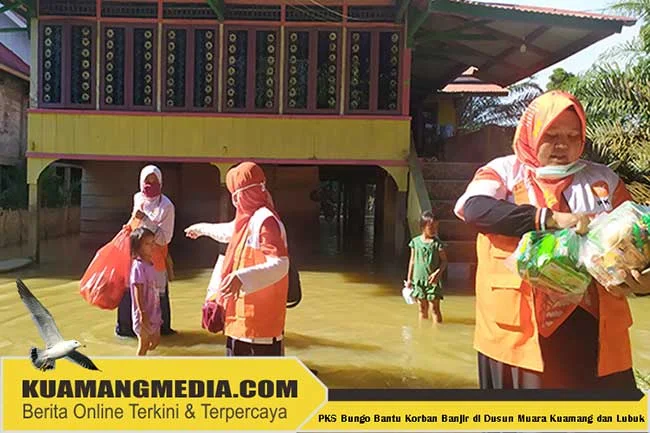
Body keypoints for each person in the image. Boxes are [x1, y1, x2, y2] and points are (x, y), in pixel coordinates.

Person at [454, 90, 650, 389]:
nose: (563, 144)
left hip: (595, 333)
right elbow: (474, 208)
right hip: (520, 334)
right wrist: (549, 218)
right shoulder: (503, 172)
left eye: (573, 135)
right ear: (531, 131)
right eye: (552, 134)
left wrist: (645, 282)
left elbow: (640, 239)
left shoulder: (604, 180)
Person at [185, 162, 289, 356]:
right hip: (239, 321)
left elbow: (281, 264)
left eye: (234, 193)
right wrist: (200, 229)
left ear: (238, 195)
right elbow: (228, 231)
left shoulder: (264, 221)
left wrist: (241, 277)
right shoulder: (250, 219)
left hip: (259, 328)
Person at [116, 165, 176, 338]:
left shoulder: (167, 207)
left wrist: (147, 220)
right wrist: (128, 227)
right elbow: (135, 221)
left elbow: (165, 238)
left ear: (161, 183)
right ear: (141, 182)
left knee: (157, 296)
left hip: (155, 259)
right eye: (147, 181)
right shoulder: (138, 198)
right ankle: (126, 331)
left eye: (154, 181)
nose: (150, 185)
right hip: (135, 258)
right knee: (129, 291)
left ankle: (160, 333)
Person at [406, 210, 448, 322]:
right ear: (423, 227)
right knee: (422, 309)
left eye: (436, 227)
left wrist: (437, 273)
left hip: (433, 281)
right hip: (418, 280)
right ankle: (422, 331)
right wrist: (409, 279)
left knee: (435, 308)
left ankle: (437, 333)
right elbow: (412, 261)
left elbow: (444, 261)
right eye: (431, 227)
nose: (434, 230)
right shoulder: (415, 242)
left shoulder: (437, 244)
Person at [129, 227, 162, 356]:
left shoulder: (150, 263)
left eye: (153, 242)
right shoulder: (138, 266)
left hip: (154, 310)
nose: (152, 246)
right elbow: (138, 290)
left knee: (155, 341)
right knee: (143, 344)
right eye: (148, 244)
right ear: (138, 247)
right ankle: (138, 368)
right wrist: (143, 313)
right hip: (143, 312)